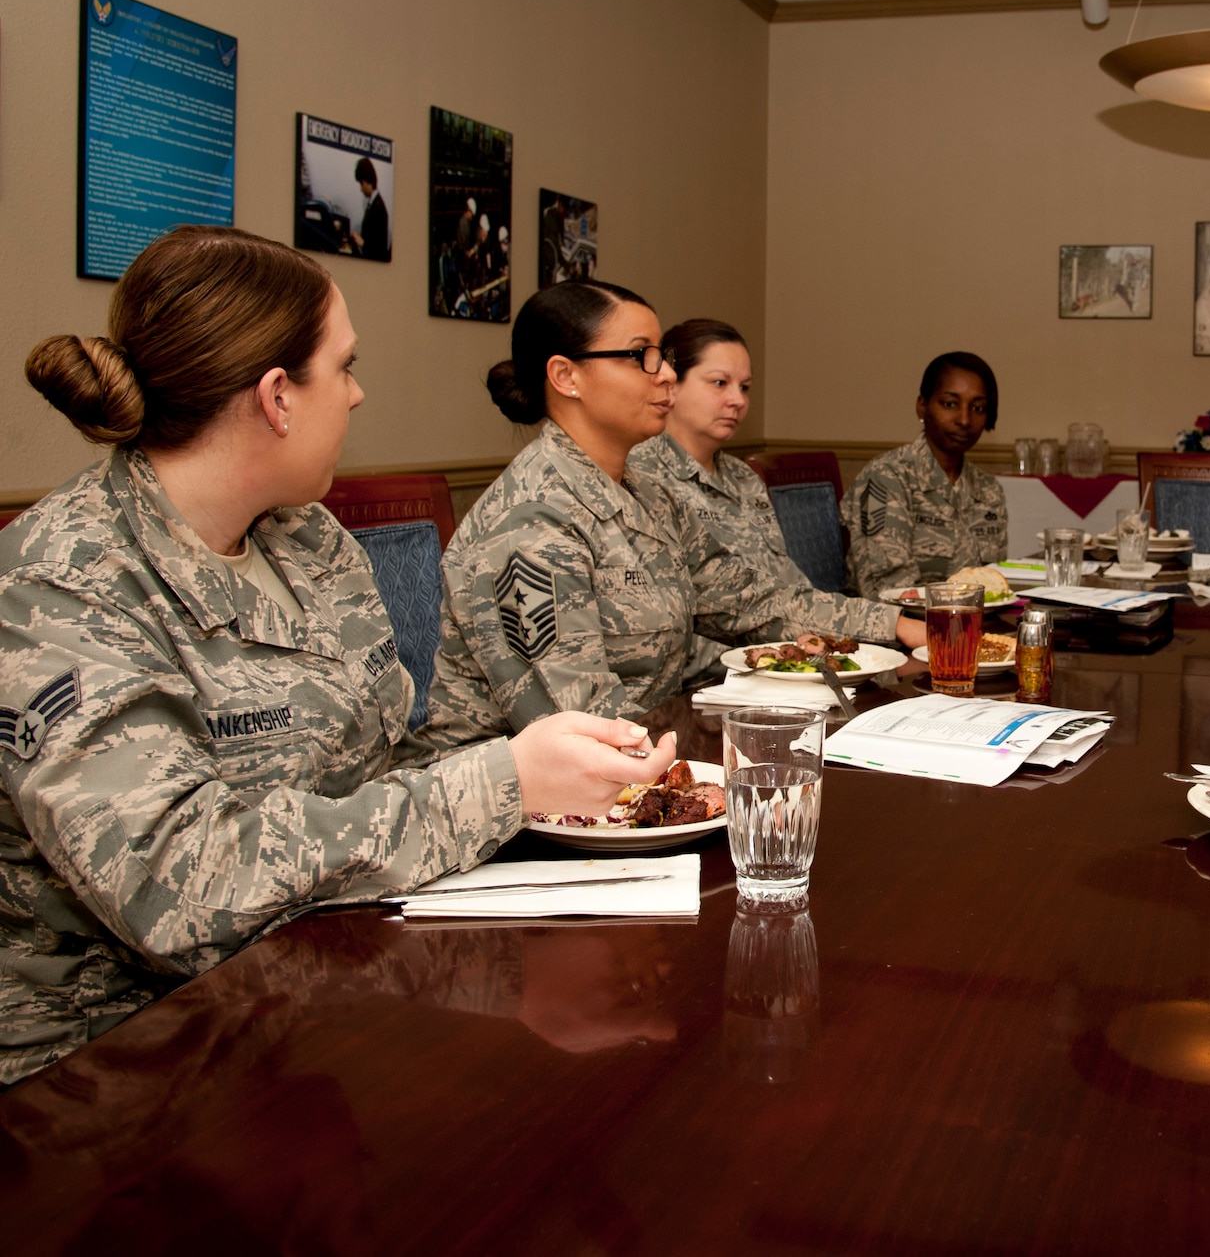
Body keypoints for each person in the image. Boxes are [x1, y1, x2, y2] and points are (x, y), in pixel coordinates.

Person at [0, 227, 675, 1084]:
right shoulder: (64, 583)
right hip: (114, 1063)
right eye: (345, 367)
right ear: (279, 396)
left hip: (322, 978)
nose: (356, 396)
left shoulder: (305, 538)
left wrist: (551, 768)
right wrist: (501, 782)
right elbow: (177, 883)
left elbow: (376, 769)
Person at [424, 282, 804, 746]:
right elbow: (588, 730)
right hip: (537, 803)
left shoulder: (650, 495)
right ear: (567, 376)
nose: (665, 374)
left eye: (662, 355)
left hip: (646, 760)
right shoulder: (530, 521)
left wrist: (894, 625)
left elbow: (752, 603)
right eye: (639, 355)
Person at [625, 319, 924, 671]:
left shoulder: (743, 477)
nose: (737, 400)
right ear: (672, 383)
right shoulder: (640, 475)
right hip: (710, 676)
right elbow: (710, 608)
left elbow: (788, 583)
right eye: (719, 383)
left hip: (788, 660)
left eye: (745, 387)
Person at [840, 352, 1008, 599]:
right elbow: (889, 592)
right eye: (950, 404)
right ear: (922, 405)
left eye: (978, 408)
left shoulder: (989, 489)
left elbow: (992, 582)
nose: (964, 419)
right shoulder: (886, 478)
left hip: (969, 626)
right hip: (898, 628)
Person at [352, 156, 389, 261]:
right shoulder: (373, 204)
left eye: (361, 184)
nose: (361, 189)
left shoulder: (378, 208)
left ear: (367, 182)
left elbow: (379, 248)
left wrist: (362, 242)